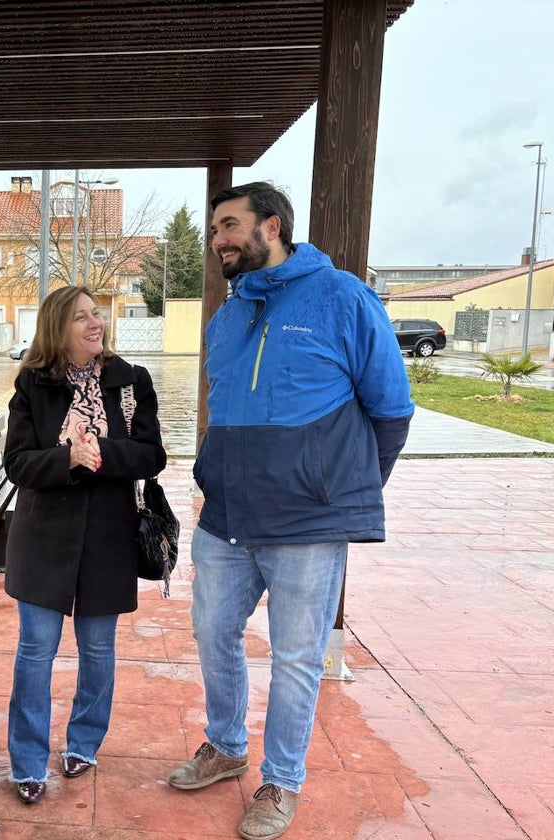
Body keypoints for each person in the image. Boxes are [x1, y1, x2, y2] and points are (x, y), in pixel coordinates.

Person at [168, 182, 413, 840]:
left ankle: (281, 781)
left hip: (308, 525)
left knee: (297, 657)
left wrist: (341, 488)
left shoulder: (343, 298)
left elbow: (391, 409)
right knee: (214, 634)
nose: (216, 238)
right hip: (226, 519)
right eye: (214, 227)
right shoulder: (228, 316)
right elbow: (224, 414)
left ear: (271, 226)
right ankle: (225, 746)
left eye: (228, 225)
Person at [3, 285, 167, 805]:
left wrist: (100, 455)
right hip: (44, 537)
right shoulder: (32, 385)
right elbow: (17, 464)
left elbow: (153, 454)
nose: (96, 322)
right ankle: (28, 763)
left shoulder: (131, 380)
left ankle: (84, 743)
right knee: (35, 652)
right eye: (82, 317)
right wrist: (65, 461)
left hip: (108, 537)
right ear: (58, 329)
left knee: (98, 649)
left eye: (97, 313)